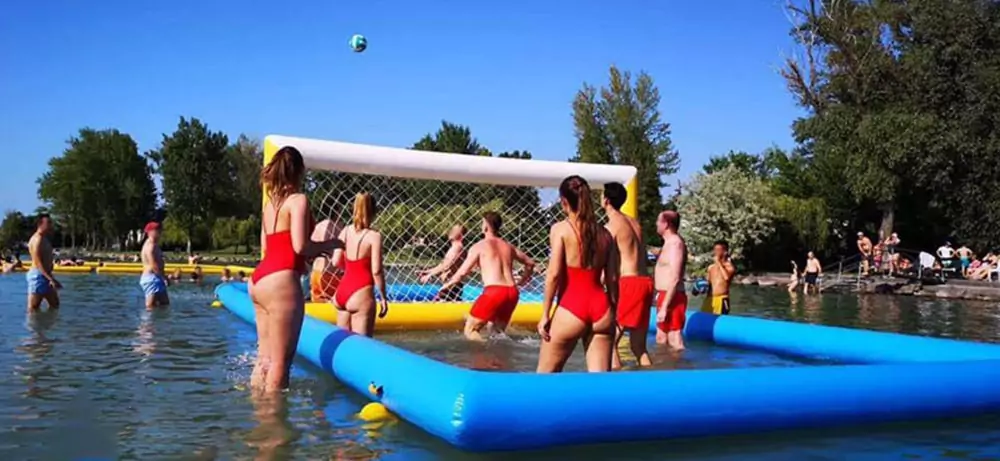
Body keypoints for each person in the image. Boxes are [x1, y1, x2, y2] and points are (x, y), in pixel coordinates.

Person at [249, 146, 341, 392]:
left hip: (259, 280)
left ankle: (258, 410)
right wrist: (329, 244)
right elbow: (300, 246)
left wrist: (313, 250)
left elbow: (266, 247)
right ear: (300, 171)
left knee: (265, 357)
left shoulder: (270, 205)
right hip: (281, 281)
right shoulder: (298, 200)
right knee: (281, 362)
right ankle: (274, 425)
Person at [537, 175, 617, 373]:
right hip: (601, 308)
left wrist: (545, 314)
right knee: (600, 386)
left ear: (564, 201)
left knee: (544, 380)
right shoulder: (605, 234)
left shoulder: (561, 230)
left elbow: (554, 275)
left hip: (571, 307)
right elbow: (612, 278)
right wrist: (613, 309)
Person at [437, 212, 535, 341]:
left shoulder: (479, 246)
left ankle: (484, 356)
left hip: (494, 291)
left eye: (482, 223)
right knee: (497, 333)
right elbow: (530, 263)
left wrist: (446, 285)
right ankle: (499, 359)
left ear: (486, 226)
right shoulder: (508, 246)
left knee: (471, 330)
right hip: (512, 292)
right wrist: (522, 281)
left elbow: (462, 272)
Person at [601, 182, 654, 369]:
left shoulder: (612, 226)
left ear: (606, 200)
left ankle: (616, 387)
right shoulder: (635, 223)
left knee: (609, 341)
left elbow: (610, 265)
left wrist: (608, 290)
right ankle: (651, 379)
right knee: (639, 346)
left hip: (630, 282)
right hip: (646, 282)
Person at [333, 193, 389, 337]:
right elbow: (376, 270)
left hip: (342, 291)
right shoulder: (374, 237)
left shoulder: (345, 231)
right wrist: (383, 297)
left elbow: (335, 261)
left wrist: (351, 270)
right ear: (373, 212)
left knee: (343, 346)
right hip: (361, 292)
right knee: (362, 349)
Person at [653, 210, 687, 350]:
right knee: (661, 337)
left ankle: (680, 369)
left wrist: (665, 306)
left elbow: (675, 277)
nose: (656, 224)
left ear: (666, 224)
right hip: (664, 295)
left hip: (672, 296)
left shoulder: (675, 244)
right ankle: (663, 367)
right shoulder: (667, 244)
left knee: (674, 337)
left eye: (658, 221)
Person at [418, 224, 466, 301]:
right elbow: (443, 265)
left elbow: (447, 266)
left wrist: (430, 275)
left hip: (451, 287)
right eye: (451, 230)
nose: (451, 232)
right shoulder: (454, 248)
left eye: (454, 230)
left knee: (434, 308)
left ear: (461, 234)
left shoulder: (457, 247)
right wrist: (428, 271)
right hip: (449, 286)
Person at [26, 215, 60, 311]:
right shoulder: (37, 239)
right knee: (33, 308)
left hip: (45, 276)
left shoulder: (44, 238)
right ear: (40, 224)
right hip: (39, 276)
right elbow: (38, 262)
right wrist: (51, 279)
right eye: (48, 223)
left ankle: (46, 325)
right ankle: (33, 325)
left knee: (55, 305)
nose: (50, 225)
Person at [310, 220, 343, 302]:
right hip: (331, 273)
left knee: (317, 305)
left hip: (316, 271)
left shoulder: (318, 227)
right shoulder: (339, 227)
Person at [139, 221, 169, 309]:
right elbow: (153, 265)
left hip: (156, 277)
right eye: (158, 231)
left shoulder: (154, 245)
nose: (160, 233)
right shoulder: (150, 246)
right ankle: (147, 322)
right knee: (150, 306)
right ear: (150, 232)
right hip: (152, 278)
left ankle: (161, 322)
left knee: (165, 304)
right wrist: (164, 278)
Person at [703, 240, 736, 315]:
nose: (715, 252)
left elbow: (726, 278)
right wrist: (699, 288)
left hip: (721, 299)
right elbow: (707, 283)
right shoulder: (711, 267)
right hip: (709, 299)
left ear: (725, 252)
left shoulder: (729, 266)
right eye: (714, 250)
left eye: (718, 250)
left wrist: (718, 262)